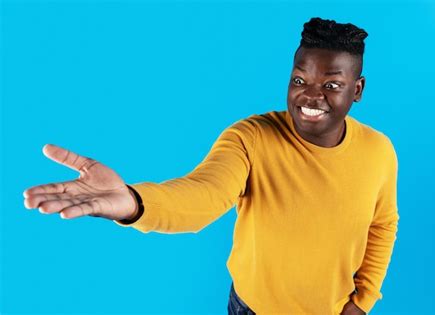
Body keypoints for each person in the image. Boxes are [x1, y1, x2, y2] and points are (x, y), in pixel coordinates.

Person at [23, 17, 399, 315]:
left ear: (358, 90)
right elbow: (204, 194)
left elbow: (382, 225)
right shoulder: (251, 137)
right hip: (251, 309)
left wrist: (362, 301)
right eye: (300, 79)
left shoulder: (378, 152)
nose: (311, 95)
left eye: (331, 85)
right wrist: (137, 203)